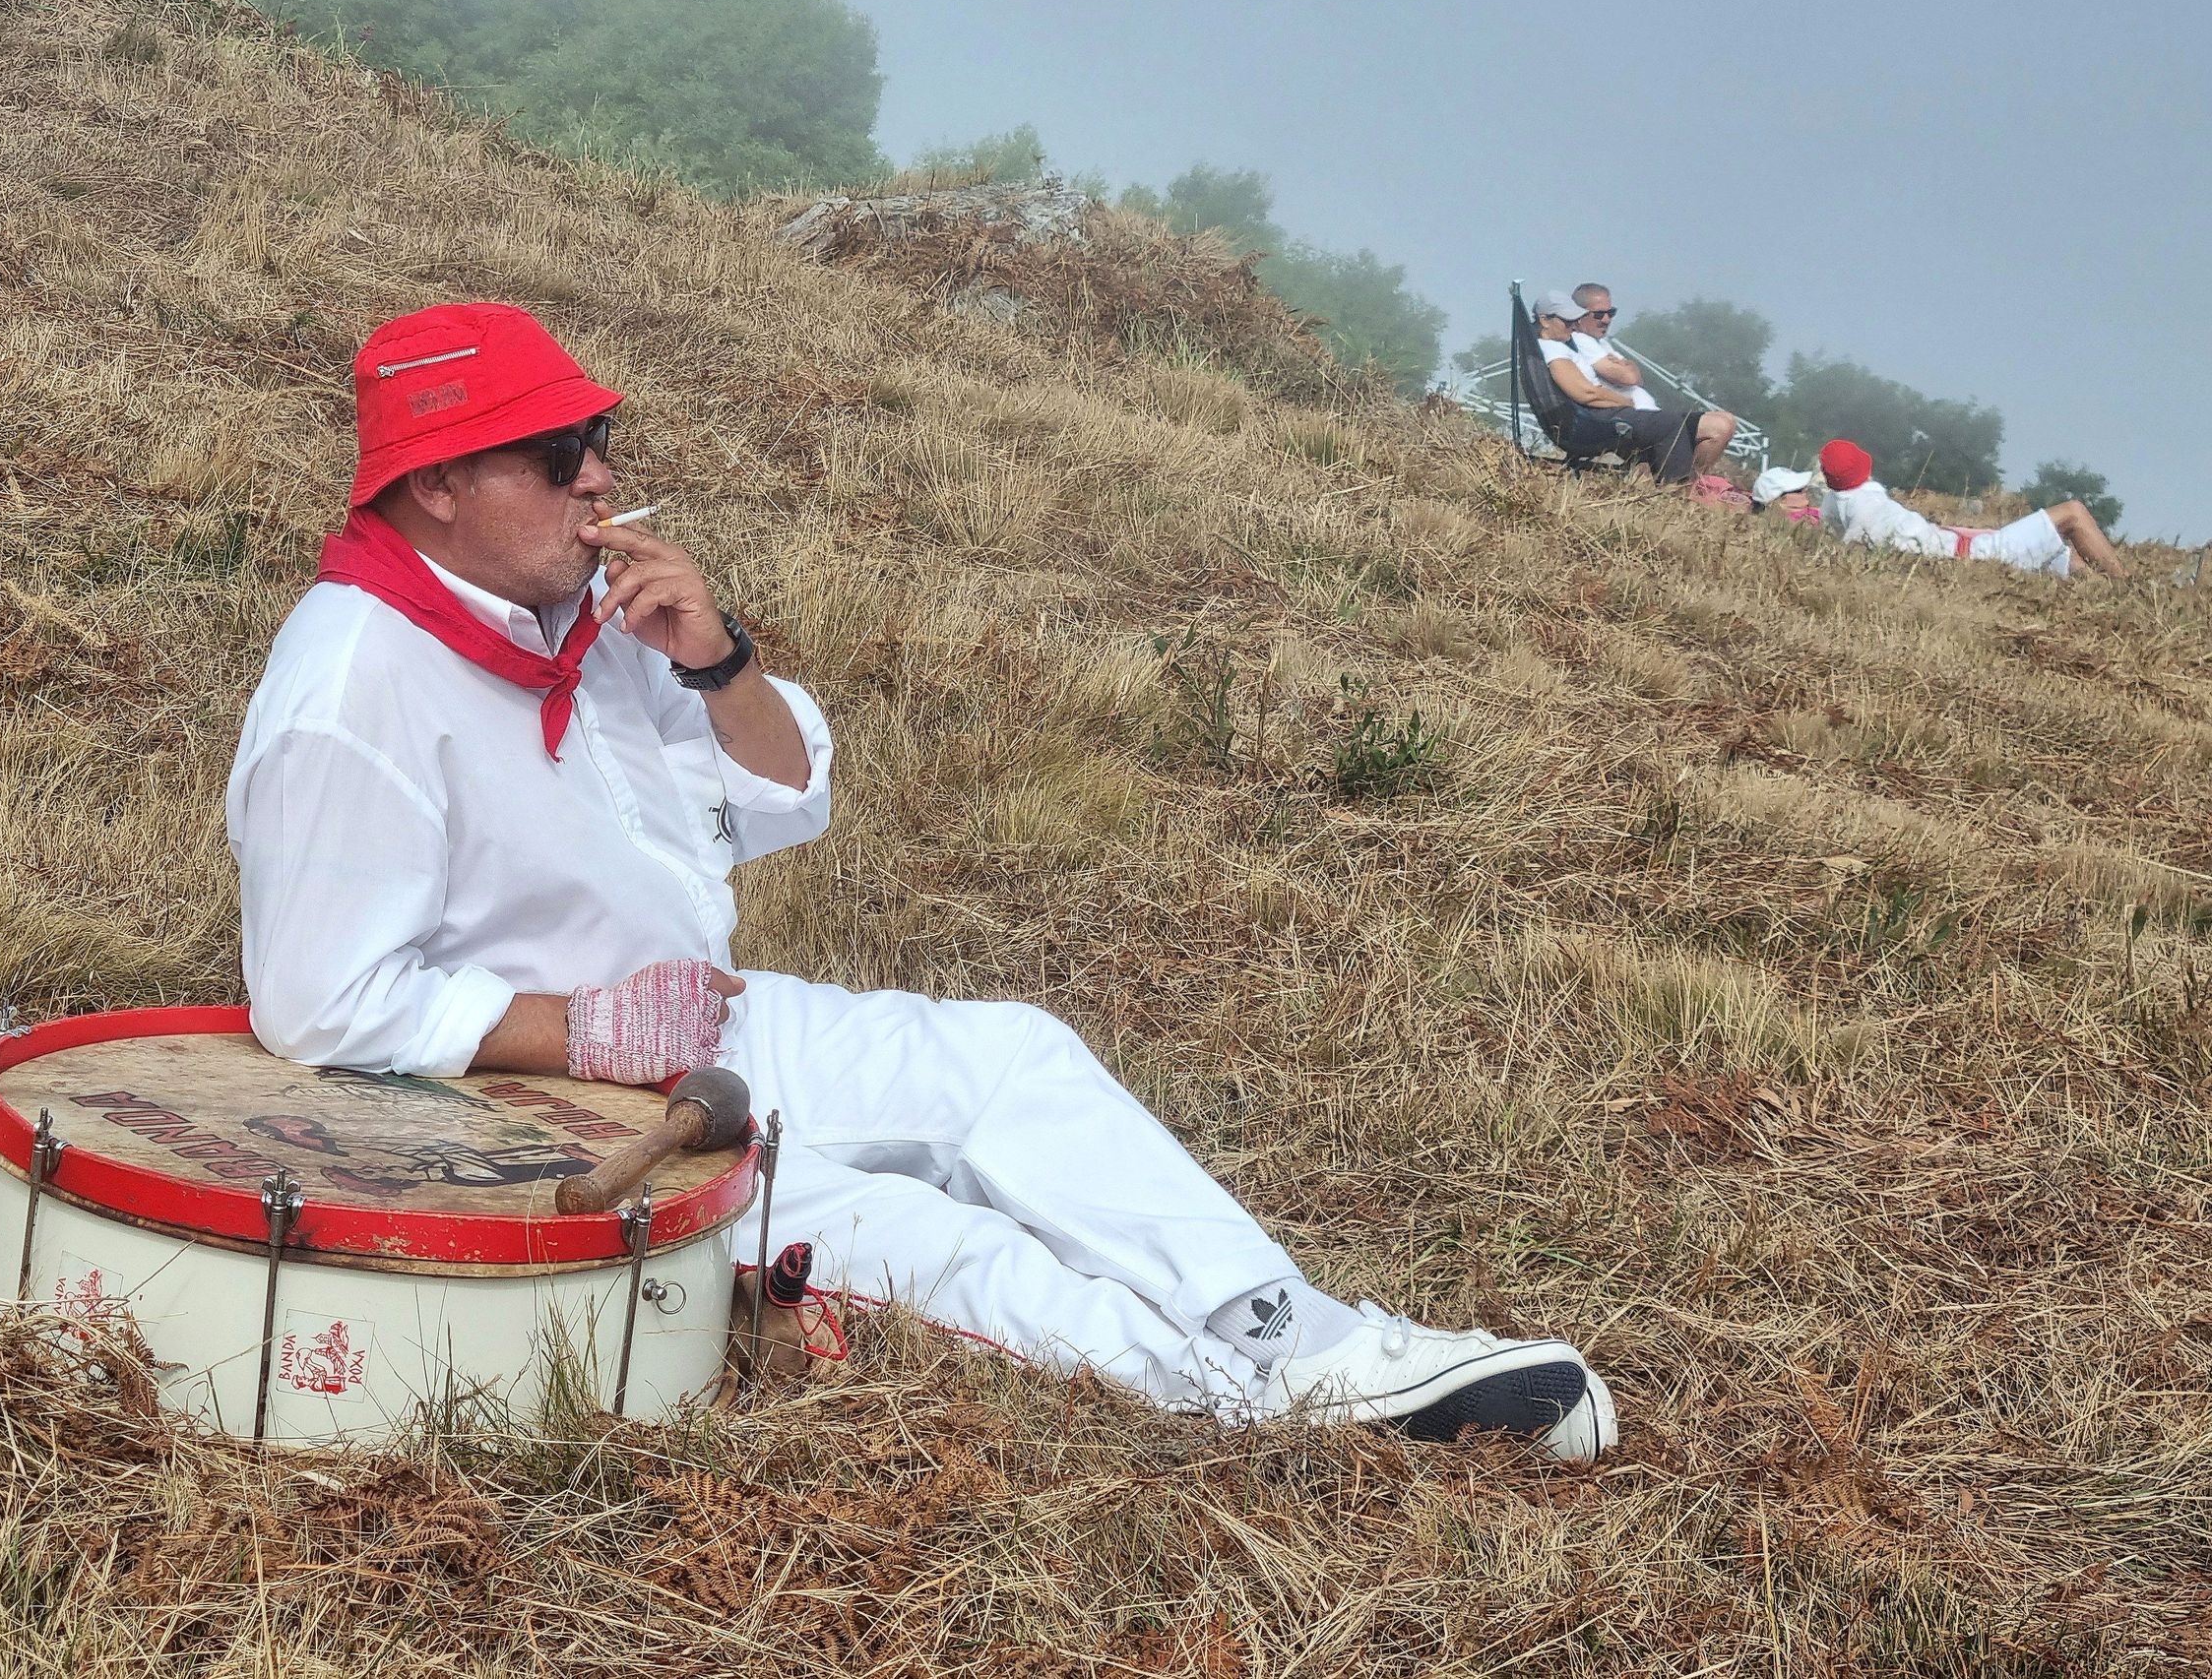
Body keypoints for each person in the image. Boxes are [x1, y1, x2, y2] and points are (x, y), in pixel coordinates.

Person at [225, 302, 1619, 1458]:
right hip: (544, 1110)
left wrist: (716, 660)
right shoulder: (353, 686)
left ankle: (1298, 1333)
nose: (599, 475)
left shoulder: (579, 614)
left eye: (598, 439)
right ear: (433, 485)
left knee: (1013, 1059)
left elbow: (779, 802)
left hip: (704, 1027)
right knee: (932, 1239)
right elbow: (320, 1002)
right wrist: (583, 1033)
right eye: (555, 451)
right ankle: (1276, 1412)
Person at [1813, 439, 2126, 579]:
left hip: (1965, 547)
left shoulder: (1837, 506)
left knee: (2060, 553)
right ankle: (2127, 587)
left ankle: (2102, 591)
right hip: (1976, 555)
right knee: (2072, 513)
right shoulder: (1871, 508)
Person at [1533, 291, 1737, 483]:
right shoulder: (1552, 348)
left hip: (1608, 413)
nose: (1572, 325)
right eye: (1567, 321)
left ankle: (1688, 487)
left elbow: (1630, 378)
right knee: (1669, 423)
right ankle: (1675, 492)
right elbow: (1585, 393)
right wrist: (1625, 401)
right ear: (1544, 321)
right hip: (1598, 420)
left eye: (1574, 319)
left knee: (1695, 422)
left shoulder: (1563, 345)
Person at [1568, 284, 1657, 410]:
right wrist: (1626, 367)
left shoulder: (1601, 342)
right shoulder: (1580, 339)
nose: (1607, 320)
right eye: (1599, 314)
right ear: (1578, 315)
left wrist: (1629, 366)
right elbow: (1630, 378)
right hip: (1628, 417)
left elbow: (1638, 379)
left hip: (1642, 413)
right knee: (1693, 424)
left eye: (1611, 313)